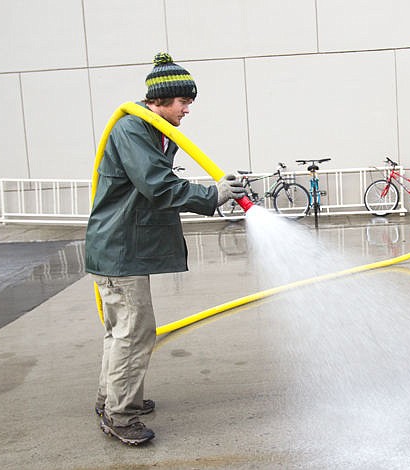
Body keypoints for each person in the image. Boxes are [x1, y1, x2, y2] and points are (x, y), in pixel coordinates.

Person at [85, 52, 246, 445]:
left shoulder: (149, 128)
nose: (188, 109)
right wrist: (212, 195)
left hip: (121, 246)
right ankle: (120, 416)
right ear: (160, 100)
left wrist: (211, 193)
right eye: (183, 101)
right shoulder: (132, 130)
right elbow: (157, 185)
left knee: (121, 332)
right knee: (135, 333)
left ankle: (114, 399)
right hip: (119, 248)